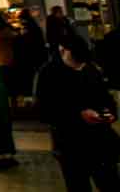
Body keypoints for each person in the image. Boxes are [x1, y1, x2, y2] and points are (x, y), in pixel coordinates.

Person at [36, 34, 120, 192]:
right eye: (75, 62)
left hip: (100, 141)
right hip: (70, 143)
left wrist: (110, 113)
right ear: (62, 51)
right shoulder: (48, 74)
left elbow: (106, 98)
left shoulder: (90, 69)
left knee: (110, 182)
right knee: (78, 185)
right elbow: (44, 111)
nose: (78, 67)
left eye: (81, 63)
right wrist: (78, 114)